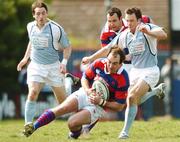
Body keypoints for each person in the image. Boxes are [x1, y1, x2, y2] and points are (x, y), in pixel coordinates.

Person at [82, 7, 167, 139]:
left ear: (139, 20)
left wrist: (149, 32)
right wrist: (91, 58)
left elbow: (163, 34)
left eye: (132, 21)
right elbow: (108, 49)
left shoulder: (146, 27)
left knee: (132, 97)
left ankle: (124, 133)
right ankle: (156, 91)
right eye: (127, 21)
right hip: (134, 71)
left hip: (150, 71)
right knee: (128, 100)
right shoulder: (125, 35)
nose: (128, 24)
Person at [22, 47, 130, 139]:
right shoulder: (99, 63)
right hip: (86, 92)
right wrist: (87, 90)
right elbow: (85, 78)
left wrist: (100, 101)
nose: (110, 66)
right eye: (109, 61)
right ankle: (33, 127)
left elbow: (119, 106)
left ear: (121, 64)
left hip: (99, 106)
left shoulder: (123, 79)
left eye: (115, 64)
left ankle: (75, 134)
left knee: (72, 123)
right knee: (61, 108)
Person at [16, 1, 72, 129]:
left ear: (47, 14)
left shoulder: (56, 28)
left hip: (53, 68)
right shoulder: (30, 26)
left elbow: (67, 47)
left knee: (64, 104)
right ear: (33, 15)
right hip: (36, 66)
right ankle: (28, 125)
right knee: (33, 92)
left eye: (43, 13)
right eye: (38, 14)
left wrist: (64, 63)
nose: (41, 16)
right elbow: (32, 42)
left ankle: (67, 88)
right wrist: (25, 58)